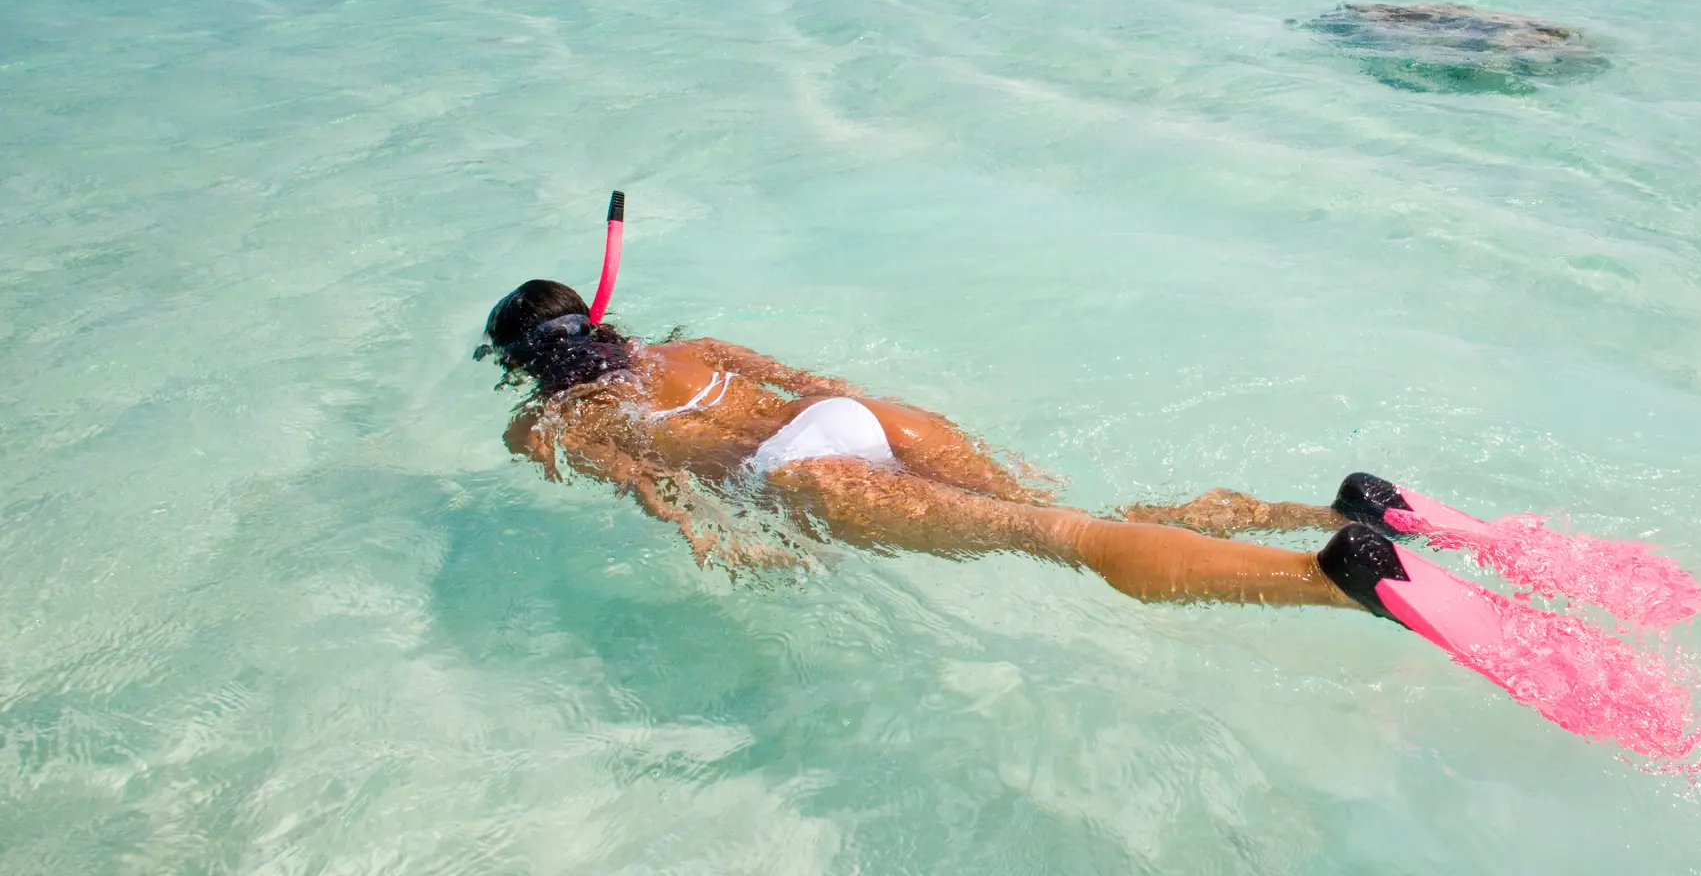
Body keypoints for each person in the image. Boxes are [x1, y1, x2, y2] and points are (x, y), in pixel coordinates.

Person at [478, 279, 1415, 616]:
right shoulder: (689, 348)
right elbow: (810, 386)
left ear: (523, 365)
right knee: (1070, 509)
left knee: (1063, 539)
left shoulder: (553, 423)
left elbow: (652, 489)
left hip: (798, 474)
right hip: (870, 418)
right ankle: (1336, 512)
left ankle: (1321, 578)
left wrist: (718, 540)